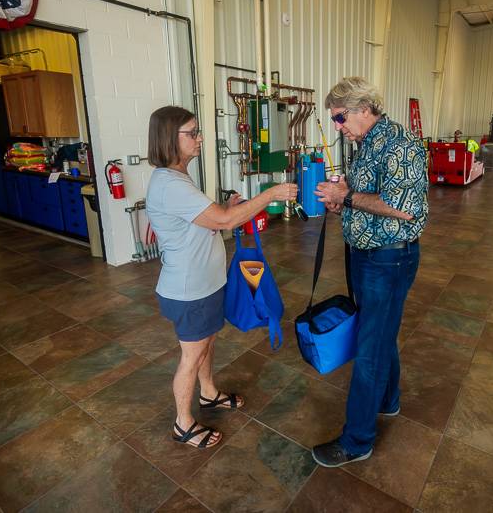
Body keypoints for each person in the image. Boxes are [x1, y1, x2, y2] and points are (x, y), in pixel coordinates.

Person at [145, 106, 297, 449]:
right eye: (192, 133)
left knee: (207, 343)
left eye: (198, 132)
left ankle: (209, 393)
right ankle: (183, 423)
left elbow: (208, 217)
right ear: (170, 137)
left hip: (206, 283)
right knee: (192, 355)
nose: (199, 139)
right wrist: (269, 195)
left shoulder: (179, 178)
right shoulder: (170, 184)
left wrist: (227, 205)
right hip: (190, 289)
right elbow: (224, 222)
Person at [312, 77, 428, 467]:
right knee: (378, 334)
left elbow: (403, 207)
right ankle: (388, 400)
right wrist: (341, 201)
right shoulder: (363, 145)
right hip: (366, 255)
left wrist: (347, 196)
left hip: (389, 259)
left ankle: (357, 441)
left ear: (365, 108)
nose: (338, 126)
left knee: (369, 350)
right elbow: (364, 199)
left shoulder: (400, 144)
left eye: (340, 117)